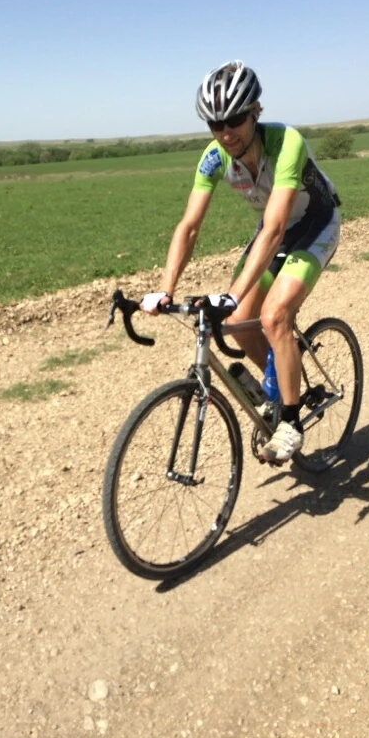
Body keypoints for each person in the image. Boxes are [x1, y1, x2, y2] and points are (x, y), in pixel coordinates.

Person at [140, 59, 341, 463]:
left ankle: (290, 420)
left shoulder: (287, 142)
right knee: (234, 322)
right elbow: (189, 227)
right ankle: (277, 382)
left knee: (274, 316)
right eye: (216, 125)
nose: (226, 133)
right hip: (275, 229)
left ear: (256, 113)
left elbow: (275, 225)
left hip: (314, 222)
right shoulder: (214, 159)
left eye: (234, 120)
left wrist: (232, 293)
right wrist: (166, 289)